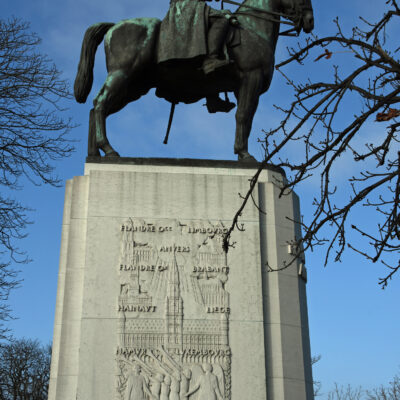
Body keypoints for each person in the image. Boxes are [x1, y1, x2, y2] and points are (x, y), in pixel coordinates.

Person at [158, 0, 236, 113]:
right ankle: (210, 60)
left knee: (219, 18)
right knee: (221, 19)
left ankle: (213, 97)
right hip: (187, 6)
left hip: (188, 6)